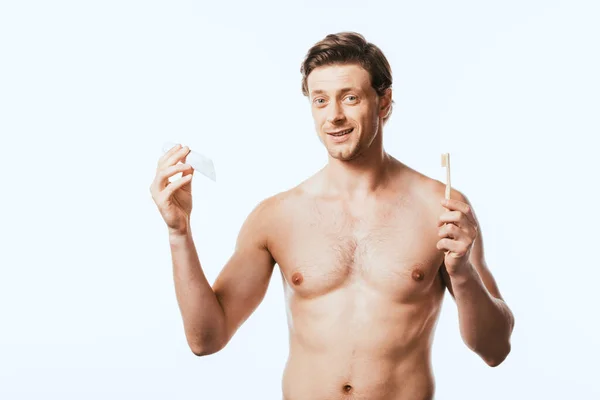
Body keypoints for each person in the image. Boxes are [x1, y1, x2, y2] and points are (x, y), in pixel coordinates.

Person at [149, 31, 515, 400]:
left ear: (384, 102)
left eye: (350, 98)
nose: (334, 116)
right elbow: (206, 339)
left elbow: (495, 349)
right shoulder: (277, 216)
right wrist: (179, 232)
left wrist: (463, 272)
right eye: (320, 101)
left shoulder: (442, 208)